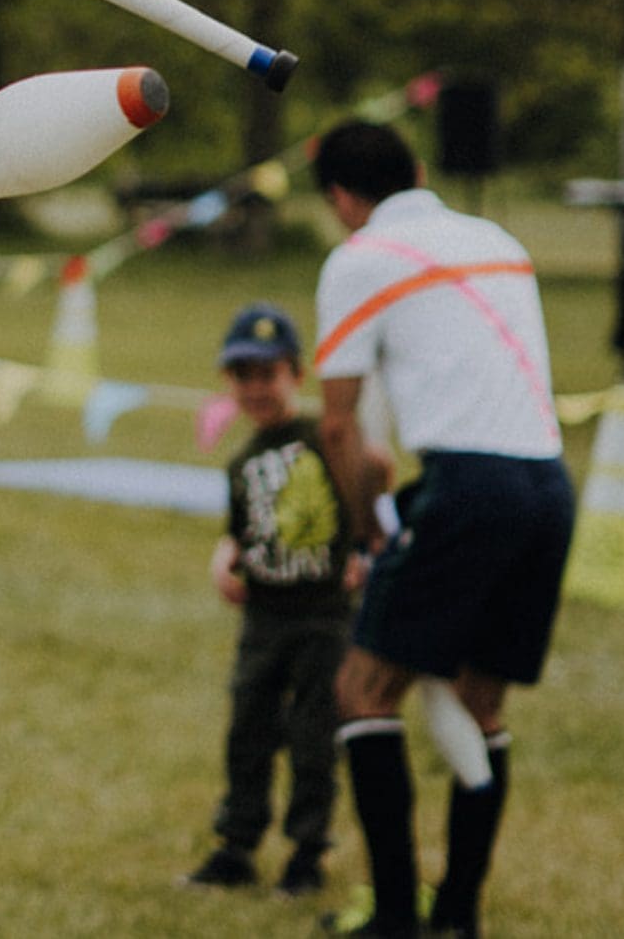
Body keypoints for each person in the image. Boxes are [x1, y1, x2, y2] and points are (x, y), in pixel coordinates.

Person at [307, 122, 575, 939]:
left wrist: (368, 535)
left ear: (341, 199)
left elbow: (340, 428)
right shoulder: (498, 239)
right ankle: (457, 917)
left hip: (467, 487)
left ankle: (393, 920)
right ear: (420, 171)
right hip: (548, 484)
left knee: (363, 690)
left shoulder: (358, 261)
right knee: (480, 703)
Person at [183, 302, 362, 899]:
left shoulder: (323, 440)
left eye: (269, 373)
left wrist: (364, 550)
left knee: (315, 739)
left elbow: (364, 498)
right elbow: (241, 528)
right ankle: (236, 845)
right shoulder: (242, 463)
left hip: (324, 619)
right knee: (248, 731)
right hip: (264, 617)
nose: (256, 388)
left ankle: (307, 854)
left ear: (296, 375)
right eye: (243, 375)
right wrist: (224, 555)